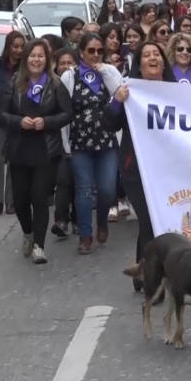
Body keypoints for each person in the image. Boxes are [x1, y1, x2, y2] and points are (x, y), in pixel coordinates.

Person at [107, 42, 177, 291]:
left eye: (157, 54)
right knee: (148, 221)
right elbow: (110, 123)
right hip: (136, 168)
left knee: (158, 221)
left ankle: (142, 269)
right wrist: (117, 101)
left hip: (168, 169)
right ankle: (151, 277)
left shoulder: (177, 91)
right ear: (139, 63)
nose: (152, 58)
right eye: (146, 55)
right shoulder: (128, 90)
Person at [0, 38, 72, 264]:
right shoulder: (13, 83)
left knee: (39, 198)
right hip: (19, 148)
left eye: (41, 56)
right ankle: (28, 233)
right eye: (32, 55)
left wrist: (46, 122)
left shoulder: (56, 84)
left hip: (45, 150)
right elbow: (0, 114)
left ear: (47, 59)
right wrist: (18, 122)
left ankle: (39, 246)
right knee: (20, 200)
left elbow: (67, 114)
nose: (36, 60)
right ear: (26, 58)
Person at [60, 33, 123, 254]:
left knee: (107, 189)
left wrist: (105, 70)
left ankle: (102, 220)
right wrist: (65, 143)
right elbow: (64, 109)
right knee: (84, 190)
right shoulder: (70, 76)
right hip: (80, 142)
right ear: (81, 53)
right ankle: (85, 235)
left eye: (99, 51)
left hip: (106, 141)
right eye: (91, 51)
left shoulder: (109, 72)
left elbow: (122, 93)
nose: (95, 55)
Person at [0, 32, 25, 216]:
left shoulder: (25, 67)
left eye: (21, 46)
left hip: (18, 120)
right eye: (15, 46)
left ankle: (11, 201)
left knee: (15, 161)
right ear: (8, 47)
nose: (18, 50)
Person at [52, 48, 78, 238]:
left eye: (70, 63)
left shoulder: (81, 84)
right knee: (62, 181)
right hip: (58, 143)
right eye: (62, 63)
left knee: (79, 182)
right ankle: (61, 220)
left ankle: (78, 218)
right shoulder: (52, 86)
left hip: (79, 141)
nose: (66, 67)